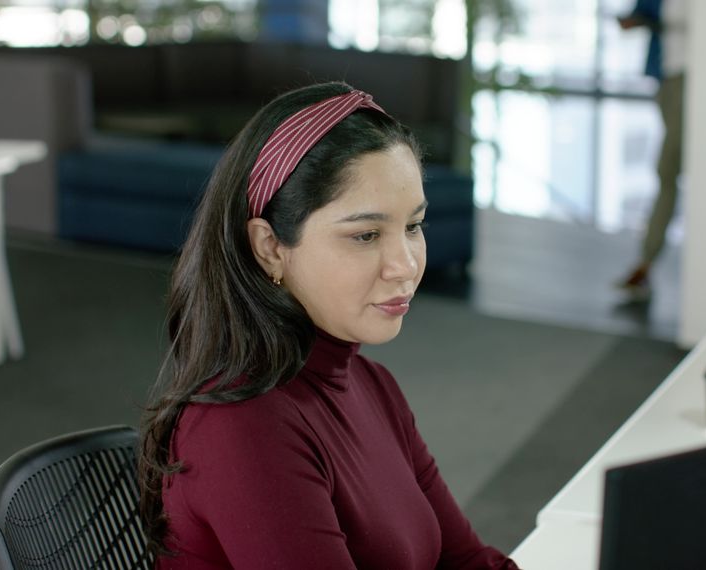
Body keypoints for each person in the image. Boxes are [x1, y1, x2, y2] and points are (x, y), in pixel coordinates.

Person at [137, 82, 520, 569]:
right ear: (271, 247)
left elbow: (463, 560)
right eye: (365, 235)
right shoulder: (243, 427)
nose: (404, 265)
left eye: (413, 226)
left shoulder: (371, 385)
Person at [616, 0, 687, 299]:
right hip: (667, 78)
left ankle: (646, 262)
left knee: (667, 168)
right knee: (666, 172)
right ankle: (646, 263)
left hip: (690, 77)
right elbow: (639, 16)